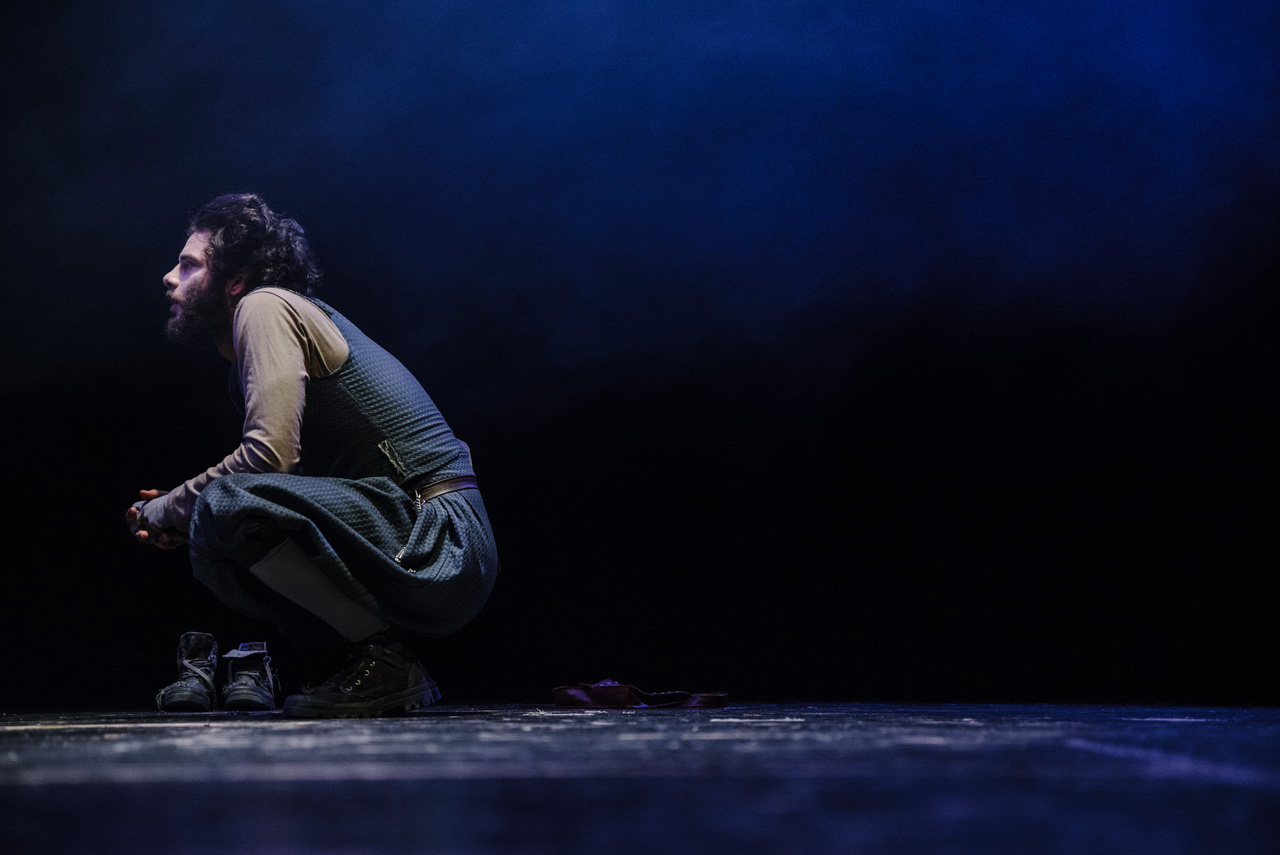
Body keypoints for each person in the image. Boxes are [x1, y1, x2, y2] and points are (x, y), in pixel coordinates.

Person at [126, 193, 499, 717]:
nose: (169, 278)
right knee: (219, 523)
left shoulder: (263, 306)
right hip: (416, 528)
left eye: (189, 265)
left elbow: (269, 457)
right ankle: (362, 658)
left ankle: (385, 660)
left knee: (225, 503)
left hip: (440, 537)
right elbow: (279, 489)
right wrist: (194, 516)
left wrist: (173, 506)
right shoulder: (257, 334)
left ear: (236, 280)